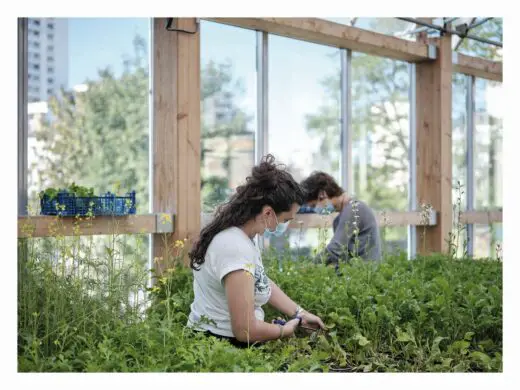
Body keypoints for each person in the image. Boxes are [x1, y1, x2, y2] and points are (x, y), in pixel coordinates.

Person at [187, 155, 326, 348]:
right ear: (268, 213)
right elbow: (245, 330)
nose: (285, 225)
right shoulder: (234, 248)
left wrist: (299, 313)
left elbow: (260, 282)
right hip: (219, 347)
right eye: (286, 220)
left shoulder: (243, 237)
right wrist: (283, 330)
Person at [300, 171, 382, 267]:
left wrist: (309, 266)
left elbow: (336, 248)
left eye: (314, 205)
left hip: (365, 275)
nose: (315, 210)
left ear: (322, 195)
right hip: (354, 273)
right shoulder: (339, 219)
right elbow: (342, 255)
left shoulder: (354, 209)